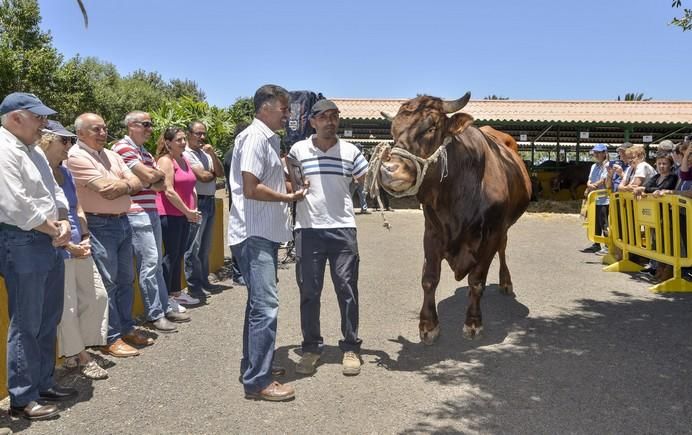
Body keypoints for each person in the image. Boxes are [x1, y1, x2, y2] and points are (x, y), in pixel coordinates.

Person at [0, 92, 76, 420]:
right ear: (16, 118)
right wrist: (52, 228)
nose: (44, 123)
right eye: (39, 117)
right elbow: (14, 203)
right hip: (23, 241)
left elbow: (54, 190)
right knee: (27, 322)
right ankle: (22, 397)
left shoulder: (33, 151)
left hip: (46, 239)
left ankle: (43, 382)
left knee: (48, 318)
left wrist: (61, 220)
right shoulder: (5, 149)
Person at [228, 84, 306, 401]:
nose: (288, 114)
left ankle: (256, 367)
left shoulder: (267, 140)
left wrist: (291, 184)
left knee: (257, 306)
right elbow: (250, 187)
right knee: (265, 307)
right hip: (254, 233)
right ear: (265, 108)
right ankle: (258, 382)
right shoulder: (254, 138)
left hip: (263, 233)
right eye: (284, 108)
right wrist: (288, 196)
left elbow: (264, 182)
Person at [288, 100, 368, 376]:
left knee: (347, 289)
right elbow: (290, 181)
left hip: (343, 228)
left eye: (334, 117)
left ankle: (350, 348)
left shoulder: (351, 151)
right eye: (323, 117)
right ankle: (311, 348)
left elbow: (366, 179)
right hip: (307, 230)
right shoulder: (298, 150)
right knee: (309, 292)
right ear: (312, 122)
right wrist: (293, 187)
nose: (330, 122)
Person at [67, 113, 153, 358]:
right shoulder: (76, 157)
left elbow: (136, 182)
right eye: (96, 129)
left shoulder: (111, 155)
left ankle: (126, 328)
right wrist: (125, 183)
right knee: (108, 283)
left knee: (126, 279)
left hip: (122, 221)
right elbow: (107, 189)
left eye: (104, 128)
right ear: (80, 133)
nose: (103, 133)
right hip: (99, 224)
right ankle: (110, 337)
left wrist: (122, 185)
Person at [39, 121, 110, 380]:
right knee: (67, 307)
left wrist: (87, 236)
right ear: (47, 142)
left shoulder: (65, 172)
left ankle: (75, 350)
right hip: (58, 248)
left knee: (98, 297)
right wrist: (68, 245)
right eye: (64, 140)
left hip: (80, 244)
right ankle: (81, 356)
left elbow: (76, 207)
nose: (69, 145)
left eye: (70, 140)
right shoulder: (39, 172)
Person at [112, 111, 189, 331]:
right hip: (136, 212)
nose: (150, 128)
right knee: (150, 263)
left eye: (150, 124)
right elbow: (149, 178)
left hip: (151, 210)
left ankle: (163, 307)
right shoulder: (122, 148)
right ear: (130, 126)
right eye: (145, 124)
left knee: (154, 264)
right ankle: (155, 314)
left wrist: (149, 178)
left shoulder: (144, 152)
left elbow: (160, 183)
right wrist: (149, 178)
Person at [155, 127, 202, 308]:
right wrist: (187, 211)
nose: (183, 142)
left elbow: (192, 186)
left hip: (183, 214)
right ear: (168, 143)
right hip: (169, 214)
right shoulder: (166, 161)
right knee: (170, 255)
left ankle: (176, 292)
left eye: (184, 139)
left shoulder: (184, 159)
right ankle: (167, 297)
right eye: (178, 140)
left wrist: (193, 208)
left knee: (179, 254)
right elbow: (168, 190)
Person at [184, 121, 225, 301]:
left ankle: (204, 280)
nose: (202, 137)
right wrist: (212, 173)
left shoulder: (205, 153)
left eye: (203, 134)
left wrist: (213, 156)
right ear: (189, 134)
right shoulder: (186, 154)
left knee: (206, 246)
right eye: (198, 133)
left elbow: (220, 172)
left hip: (209, 200)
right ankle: (194, 285)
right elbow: (205, 177)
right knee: (194, 246)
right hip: (198, 201)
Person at [581, 143, 609, 254]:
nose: (596, 155)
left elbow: (604, 179)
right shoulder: (594, 166)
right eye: (595, 152)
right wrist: (589, 184)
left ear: (604, 154)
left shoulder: (608, 166)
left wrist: (594, 186)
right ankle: (596, 243)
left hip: (604, 199)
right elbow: (589, 179)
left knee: (604, 222)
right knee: (595, 222)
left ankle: (607, 244)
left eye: (598, 153)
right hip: (594, 199)